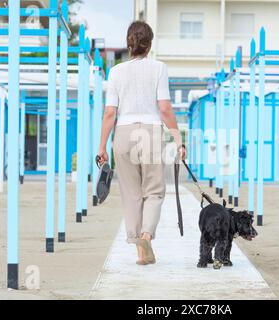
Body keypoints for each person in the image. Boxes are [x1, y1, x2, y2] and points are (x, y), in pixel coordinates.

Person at [98, 21, 186, 265]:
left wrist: (102, 146)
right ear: (150, 44)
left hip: (123, 133)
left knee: (131, 195)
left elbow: (109, 113)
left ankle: (140, 249)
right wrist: (178, 139)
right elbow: (165, 108)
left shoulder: (115, 72)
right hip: (150, 132)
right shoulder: (159, 68)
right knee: (154, 192)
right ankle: (146, 235)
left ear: (129, 43)